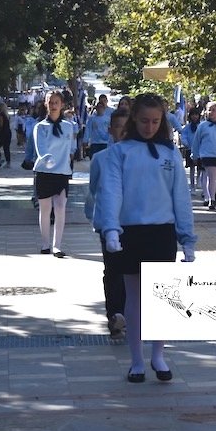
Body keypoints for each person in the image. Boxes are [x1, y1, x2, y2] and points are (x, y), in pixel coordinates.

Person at [99, 93, 196, 383]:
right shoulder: (120, 152)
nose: (149, 127)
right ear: (133, 120)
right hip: (131, 230)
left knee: (162, 298)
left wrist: (187, 237)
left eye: (155, 121)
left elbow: (181, 196)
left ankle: (158, 354)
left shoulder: (169, 153)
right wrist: (111, 228)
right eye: (144, 121)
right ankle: (137, 360)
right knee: (134, 298)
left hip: (161, 231)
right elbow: (111, 191)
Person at [85, 108, 129, 340]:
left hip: (133, 222)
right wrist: (93, 214)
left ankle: (130, 312)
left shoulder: (138, 158)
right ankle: (115, 315)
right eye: (118, 128)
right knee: (113, 271)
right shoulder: (100, 158)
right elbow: (94, 189)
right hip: (108, 223)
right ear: (110, 130)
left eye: (126, 128)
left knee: (131, 271)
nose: (122, 133)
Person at [33, 91, 78, 257]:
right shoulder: (40, 127)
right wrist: (48, 160)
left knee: (60, 207)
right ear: (46, 104)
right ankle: (45, 243)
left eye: (56, 102)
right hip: (45, 172)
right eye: (50, 102)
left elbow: (70, 147)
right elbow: (41, 149)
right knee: (45, 209)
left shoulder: (68, 125)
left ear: (62, 104)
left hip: (62, 172)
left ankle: (57, 245)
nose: (53, 105)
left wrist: (68, 163)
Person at [191, 101, 216, 211]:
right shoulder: (202, 126)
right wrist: (195, 155)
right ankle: (211, 199)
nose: (211, 112)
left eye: (213, 110)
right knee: (211, 177)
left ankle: (214, 193)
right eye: (209, 109)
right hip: (207, 154)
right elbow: (196, 141)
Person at [0, 104, 12, 168]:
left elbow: (1, 125)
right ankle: (8, 162)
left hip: (2, 133)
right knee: (6, 148)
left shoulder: (0, 115)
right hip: (8, 132)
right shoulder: (7, 115)